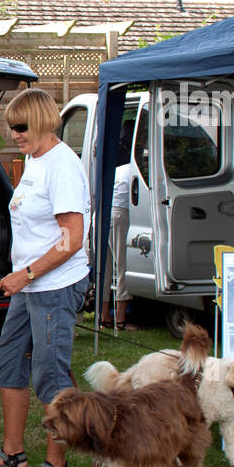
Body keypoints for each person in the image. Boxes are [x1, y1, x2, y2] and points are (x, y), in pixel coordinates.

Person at [0, 87, 91, 467]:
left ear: (42, 121)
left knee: (49, 372)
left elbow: (71, 238)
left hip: (55, 285)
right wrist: (24, 276)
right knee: (8, 360)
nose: (14, 135)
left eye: (21, 127)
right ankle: (13, 454)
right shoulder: (34, 159)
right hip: (31, 285)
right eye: (11, 128)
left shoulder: (62, 166)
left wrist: (27, 274)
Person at [103, 129, 138, 330]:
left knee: (105, 268)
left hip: (102, 213)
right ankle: (121, 319)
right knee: (122, 266)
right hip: (119, 213)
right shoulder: (134, 168)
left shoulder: (117, 169)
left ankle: (103, 316)